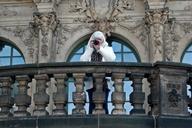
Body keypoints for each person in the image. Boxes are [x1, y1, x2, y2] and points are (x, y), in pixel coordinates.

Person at [80, 31, 116, 114]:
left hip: (104, 83)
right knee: (92, 105)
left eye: (99, 39)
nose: (97, 41)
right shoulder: (89, 49)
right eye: (95, 40)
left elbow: (111, 59)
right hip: (91, 83)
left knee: (104, 104)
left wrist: (100, 49)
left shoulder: (108, 49)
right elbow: (82, 61)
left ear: (103, 40)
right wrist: (90, 49)